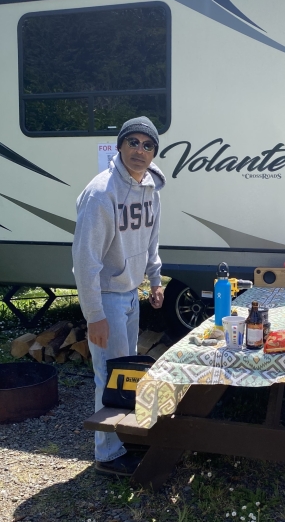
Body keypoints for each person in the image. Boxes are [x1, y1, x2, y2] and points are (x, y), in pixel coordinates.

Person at [72, 116, 166, 476]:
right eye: (133, 142)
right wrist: (94, 313)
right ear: (120, 145)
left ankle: (122, 435)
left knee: (126, 374)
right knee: (108, 376)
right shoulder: (101, 193)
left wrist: (155, 279)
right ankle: (107, 455)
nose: (140, 150)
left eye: (147, 144)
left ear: (154, 152)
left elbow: (151, 241)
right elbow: (85, 261)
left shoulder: (151, 190)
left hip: (130, 294)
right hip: (108, 298)